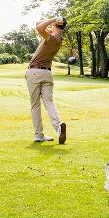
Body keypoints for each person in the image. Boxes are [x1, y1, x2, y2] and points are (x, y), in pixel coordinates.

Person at [26, 15, 67, 144]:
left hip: (34, 72)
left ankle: (38, 135)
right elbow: (38, 23)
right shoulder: (58, 39)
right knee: (49, 102)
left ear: (55, 25)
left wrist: (53, 19)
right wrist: (53, 21)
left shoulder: (52, 38)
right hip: (47, 74)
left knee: (35, 105)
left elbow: (38, 27)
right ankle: (58, 127)